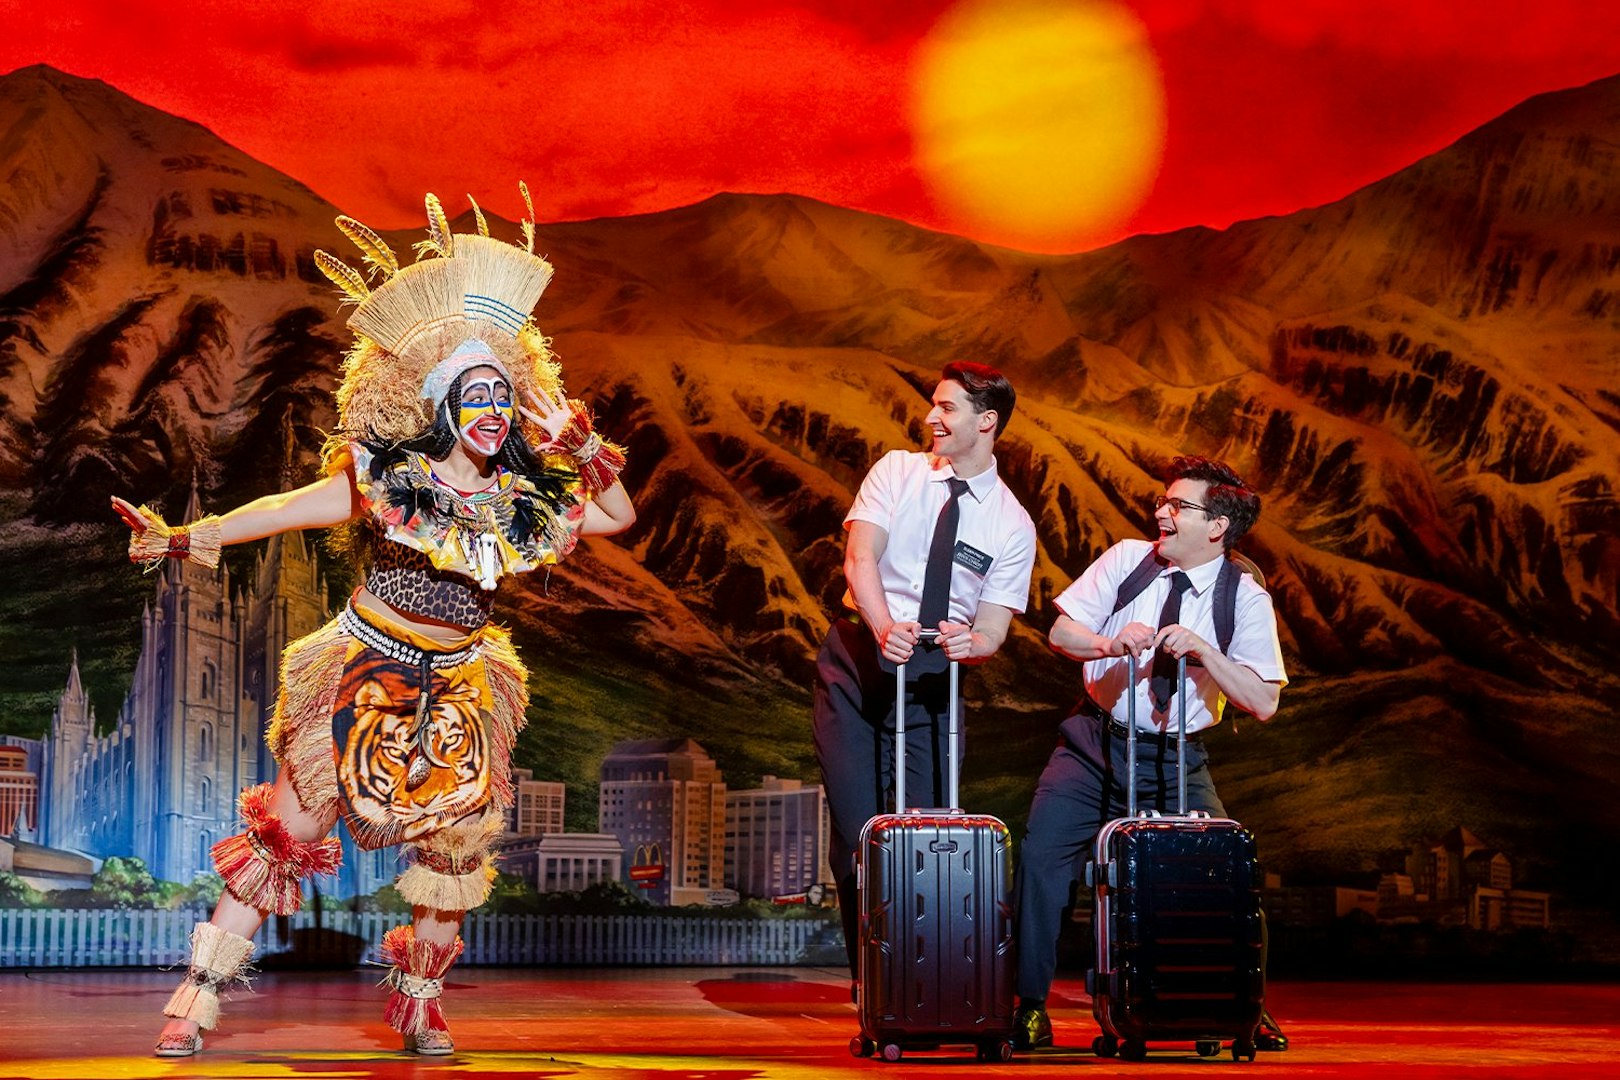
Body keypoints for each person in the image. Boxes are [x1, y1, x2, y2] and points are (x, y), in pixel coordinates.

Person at [122, 192, 635, 1057]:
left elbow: (617, 515)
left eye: (503, 396)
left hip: (463, 683)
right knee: (287, 833)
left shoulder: (521, 498)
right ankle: (195, 998)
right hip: (365, 667)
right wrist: (186, 536)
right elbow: (286, 506)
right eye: (476, 394)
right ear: (441, 405)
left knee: (455, 854)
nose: (493, 409)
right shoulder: (389, 479)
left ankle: (422, 1005)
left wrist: (580, 447)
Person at [1010, 455, 1287, 1051]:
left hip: (1175, 760)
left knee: (1228, 875)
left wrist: (1207, 653)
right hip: (1093, 745)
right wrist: (1108, 643)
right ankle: (1028, 1004)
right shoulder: (1128, 561)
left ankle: (1246, 1003)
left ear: (1217, 526)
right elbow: (1062, 633)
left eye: (1178, 505)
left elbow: (1263, 701)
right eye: (1163, 500)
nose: (1162, 512)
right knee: (1041, 860)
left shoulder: (1244, 597)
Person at [812, 361, 1036, 985]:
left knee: (928, 833)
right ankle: (873, 986)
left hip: (935, 679)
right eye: (933, 404)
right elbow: (860, 558)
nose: (931, 417)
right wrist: (885, 627)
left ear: (986, 422)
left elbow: (993, 628)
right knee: (858, 833)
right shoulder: (898, 471)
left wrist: (974, 642)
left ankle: (923, 980)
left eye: (947, 407)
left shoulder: (1011, 522)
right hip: (861, 657)